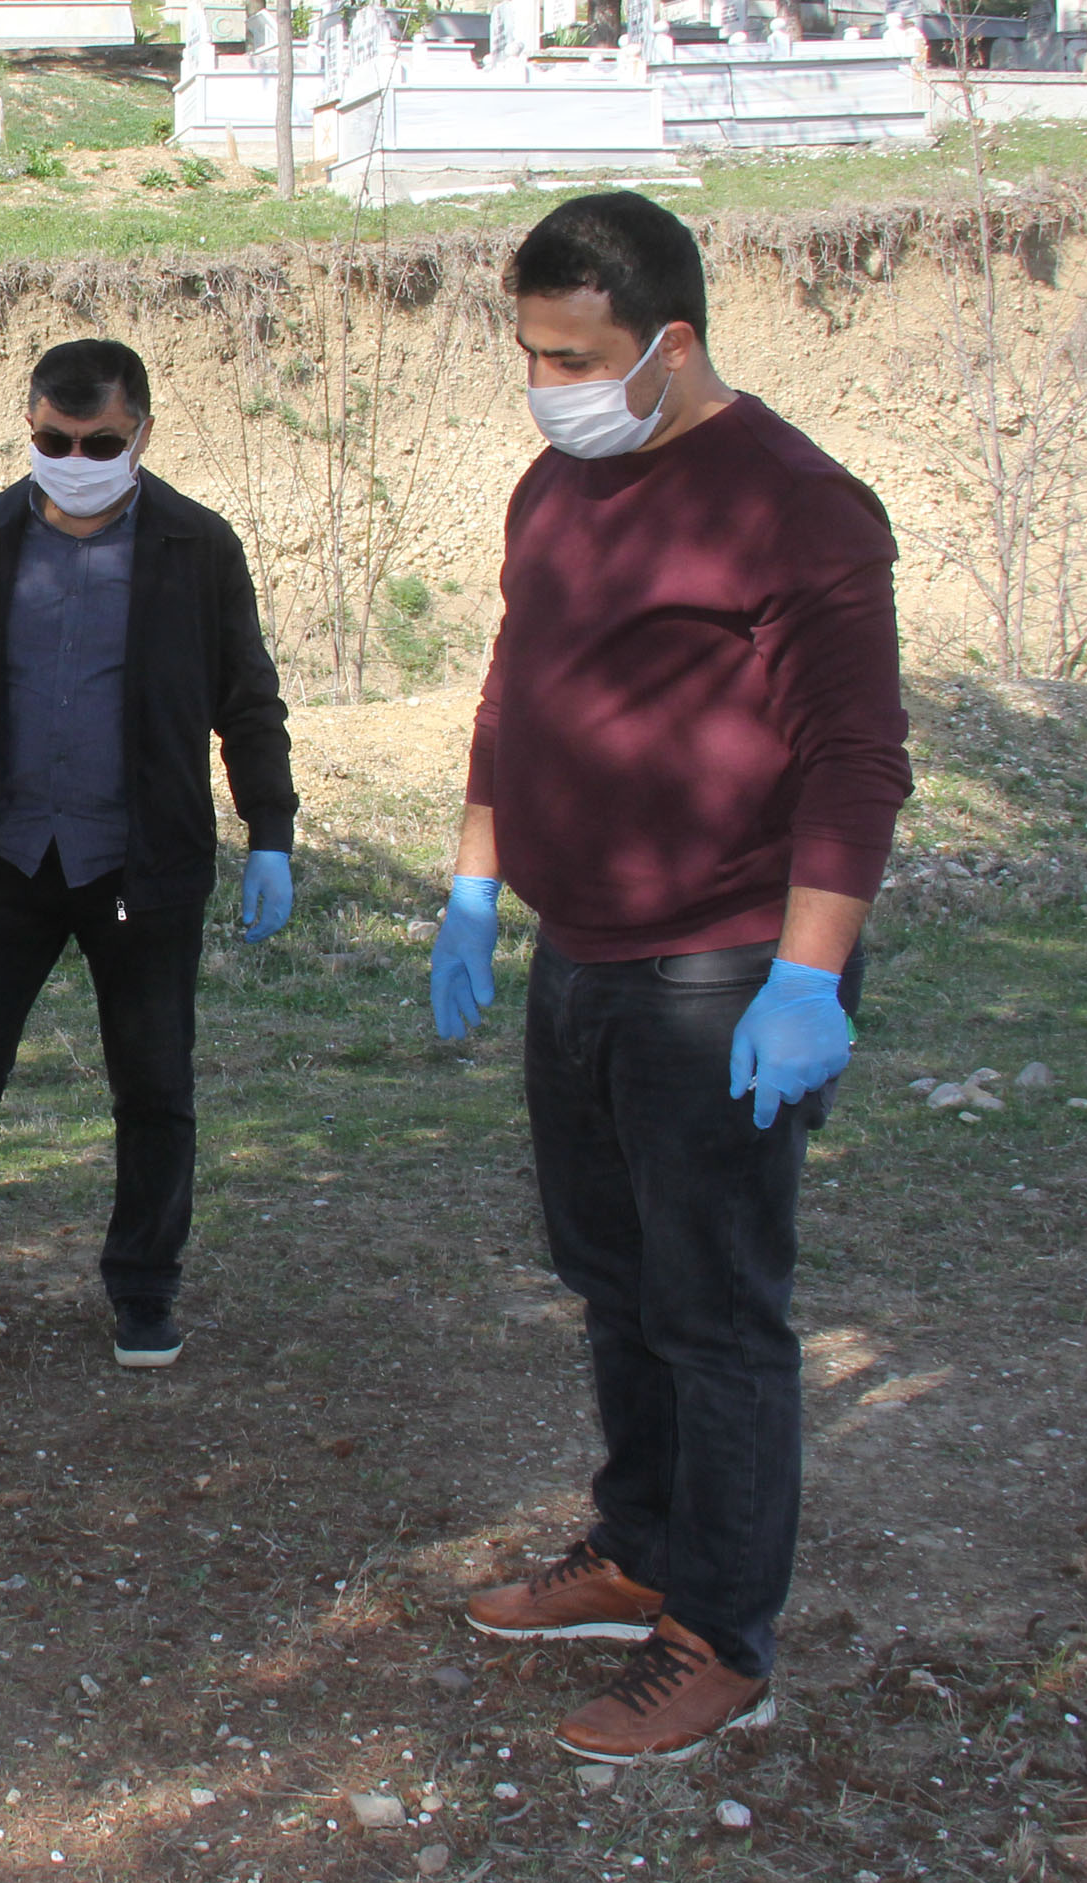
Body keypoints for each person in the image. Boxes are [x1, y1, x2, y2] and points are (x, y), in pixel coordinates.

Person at [431, 193, 911, 1764]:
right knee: (609, 1277)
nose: (545, 382)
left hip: (717, 969)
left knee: (716, 1314)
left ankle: (719, 1633)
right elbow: (516, 691)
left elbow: (855, 758)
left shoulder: (793, 503)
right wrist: (473, 882)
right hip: (576, 953)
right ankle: (637, 1544)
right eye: (527, 352)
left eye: (572, 355)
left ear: (673, 344)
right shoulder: (555, 483)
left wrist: (807, 977)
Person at [0, 339, 297, 1376]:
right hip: (0, 860)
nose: (74, 455)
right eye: (52, 439)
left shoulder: (196, 549)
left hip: (137, 868)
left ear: (141, 434)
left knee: (153, 1088)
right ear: (29, 430)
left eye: (99, 440)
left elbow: (246, 701)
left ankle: (145, 1291)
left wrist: (270, 835)